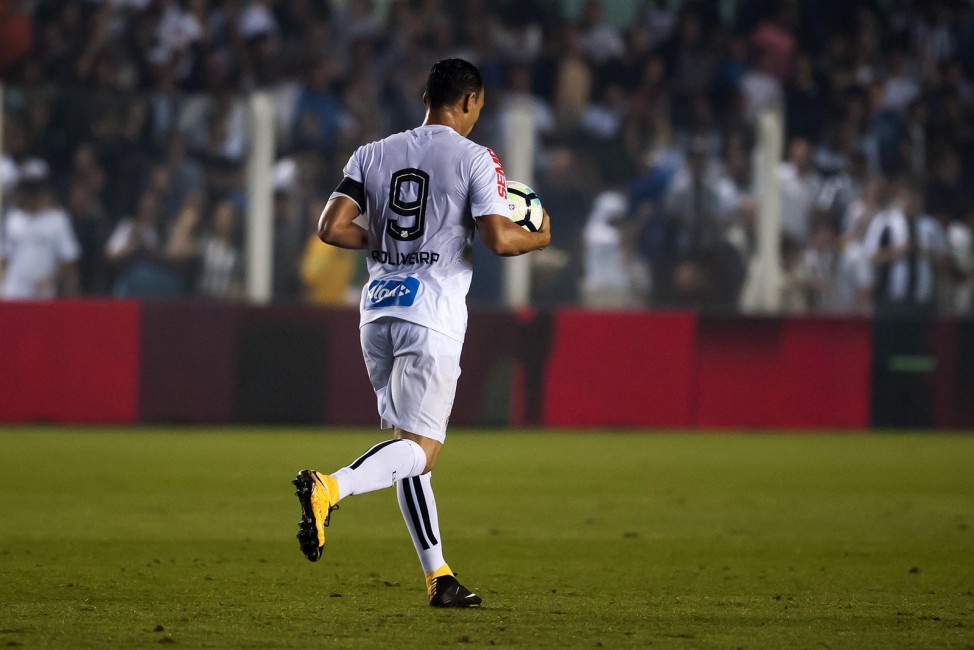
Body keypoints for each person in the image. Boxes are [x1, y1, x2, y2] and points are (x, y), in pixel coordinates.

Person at [292, 58, 550, 608]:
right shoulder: (478, 159)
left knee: (406, 447)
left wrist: (388, 242)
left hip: (378, 309)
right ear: (471, 101)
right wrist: (541, 237)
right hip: (430, 314)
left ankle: (440, 578)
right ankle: (329, 487)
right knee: (421, 451)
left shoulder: (373, 152)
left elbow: (331, 227)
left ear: (426, 96)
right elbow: (501, 240)